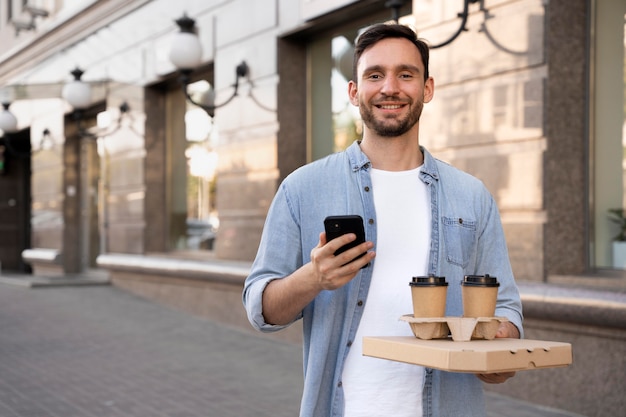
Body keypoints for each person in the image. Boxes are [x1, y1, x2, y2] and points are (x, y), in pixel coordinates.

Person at [242, 22, 523, 417]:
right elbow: (261, 309)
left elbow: (506, 309)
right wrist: (313, 277)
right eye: (375, 75)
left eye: (405, 75)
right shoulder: (302, 188)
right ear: (354, 91)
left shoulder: (471, 195)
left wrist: (500, 347)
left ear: (427, 88)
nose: (390, 87)